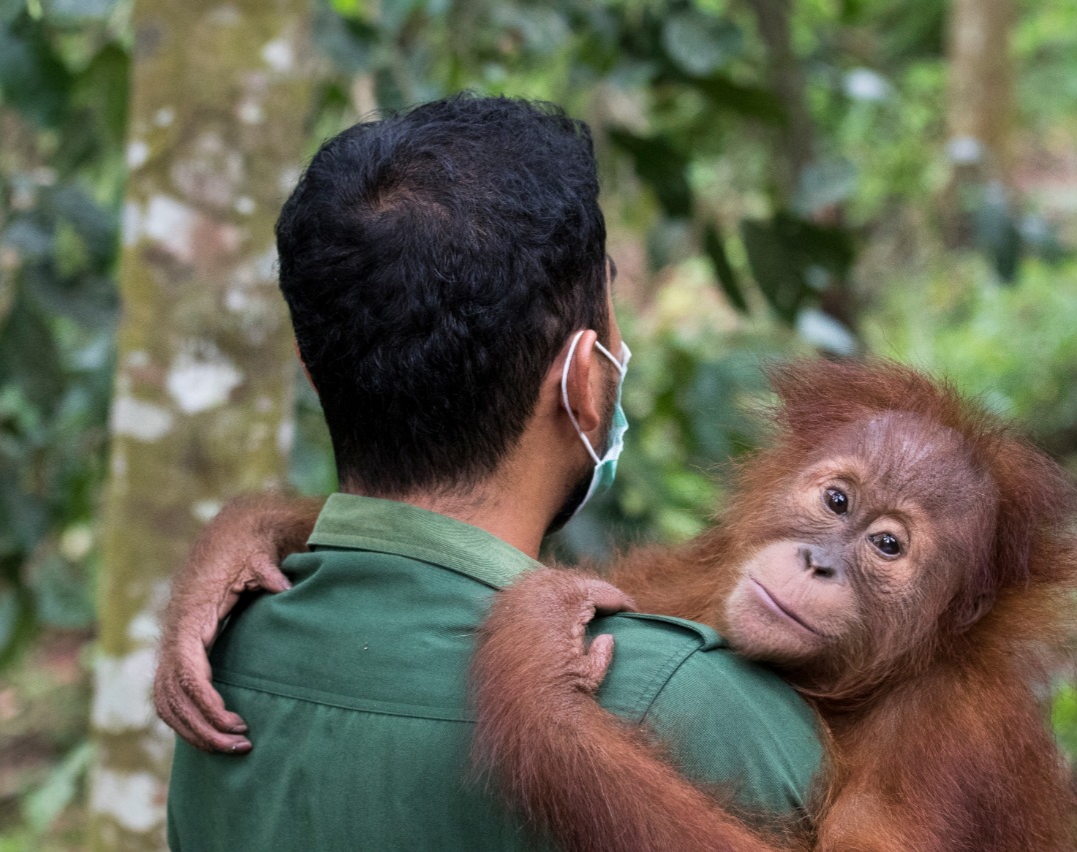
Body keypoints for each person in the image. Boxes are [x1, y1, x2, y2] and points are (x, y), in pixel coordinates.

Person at [160, 94, 822, 850]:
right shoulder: (688, 710)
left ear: (312, 372)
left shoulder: (215, 662)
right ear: (583, 377)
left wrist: (258, 521)